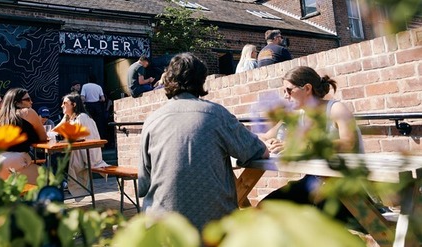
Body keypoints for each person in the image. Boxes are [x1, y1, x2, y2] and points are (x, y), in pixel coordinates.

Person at [138, 52, 269, 230]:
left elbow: (143, 184)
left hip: (160, 229)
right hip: (212, 228)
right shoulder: (216, 114)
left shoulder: (151, 121)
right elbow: (257, 151)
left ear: (168, 79)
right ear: (201, 80)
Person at [258, 66, 373, 229]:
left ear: (307, 88)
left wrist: (302, 146)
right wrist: (267, 143)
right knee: (266, 207)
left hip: (344, 184)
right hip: (314, 181)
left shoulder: (336, 109)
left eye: (289, 90)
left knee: (314, 222)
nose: (285, 96)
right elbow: (265, 136)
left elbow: (349, 143)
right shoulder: (298, 114)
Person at [55, 93, 109, 200]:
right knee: (52, 163)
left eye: (65, 103)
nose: (62, 105)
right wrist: (64, 119)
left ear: (74, 105)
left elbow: (80, 138)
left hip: (86, 156)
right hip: (75, 153)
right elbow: (54, 132)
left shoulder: (82, 117)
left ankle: (56, 195)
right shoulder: (72, 119)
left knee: (53, 164)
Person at [0, 88, 48, 185]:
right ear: (17, 102)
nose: (31, 102)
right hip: (16, 161)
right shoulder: (27, 112)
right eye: (28, 99)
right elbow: (43, 138)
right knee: (50, 181)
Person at [80, 74, 106, 138]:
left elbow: (82, 98)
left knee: (89, 123)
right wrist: (97, 99)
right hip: (97, 106)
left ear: (88, 80)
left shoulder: (85, 86)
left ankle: (89, 138)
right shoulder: (99, 87)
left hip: (88, 106)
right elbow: (103, 99)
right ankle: (100, 138)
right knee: (99, 123)